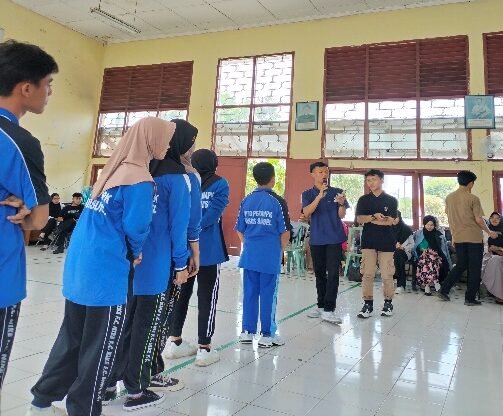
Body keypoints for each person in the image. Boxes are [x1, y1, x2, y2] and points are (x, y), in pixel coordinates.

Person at [26, 117, 174, 416]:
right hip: (106, 273)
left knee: (71, 340)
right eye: (166, 138)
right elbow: (137, 227)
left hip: (81, 266)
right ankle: (84, 409)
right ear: (151, 139)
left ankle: (40, 404)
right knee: (101, 348)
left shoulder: (112, 170)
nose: (168, 145)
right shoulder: (140, 180)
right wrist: (134, 253)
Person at [103, 119, 196, 411]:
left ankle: (108, 383)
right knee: (148, 327)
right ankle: (137, 390)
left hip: (130, 263)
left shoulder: (140, 170)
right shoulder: (177, 178)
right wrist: (181, 264)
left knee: (125, 324)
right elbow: (179, 226)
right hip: (156, 267)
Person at [0, 40, 58, 390]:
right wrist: (26, 209)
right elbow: (38, 220)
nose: (49, 93)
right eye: (47, 84)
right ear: (26, 88)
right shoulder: (18, 141)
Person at [166, 149, 230, 367]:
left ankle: (174, 342)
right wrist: (195, 228)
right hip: (208, 252)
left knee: (180, 294)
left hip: (183, 249)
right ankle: (204, 348)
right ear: (214, 163)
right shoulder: (220, 184)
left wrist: (186, 230)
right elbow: (212, 216)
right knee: (207, 298)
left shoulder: (187, 181)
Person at [236, 162, 292, 348]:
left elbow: (240, 229)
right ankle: (267, 334)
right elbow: (285, 232)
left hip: (249, 256)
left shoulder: (246, 200)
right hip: (269, 257)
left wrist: (250, 244)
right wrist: (279, 251)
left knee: (250, 293)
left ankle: (247, 331)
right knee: (268, 294)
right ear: (273, 179)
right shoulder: (277, 201)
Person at [438, 171, 498, 306]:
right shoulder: (473, 198)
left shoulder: (449, 198)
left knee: (461, 264)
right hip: (474, 238)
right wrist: (489, 232)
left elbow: (450, 219)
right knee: (475, 268)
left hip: (459, 237)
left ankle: (444, 289)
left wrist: (453, 236)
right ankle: (470, 298)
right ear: (471, 183)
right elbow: (479, 219)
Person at [301, 161, 348, 324]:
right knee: (319, 273)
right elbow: (306, 212)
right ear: (312, 174)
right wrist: (319, 196)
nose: (324, 175)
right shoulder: (307, 194)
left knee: (333, 274)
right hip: (317, 239)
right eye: (320, 172)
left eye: (326, 172)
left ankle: (329, 309)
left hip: (334, 238)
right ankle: (321, 306)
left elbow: (341, 215)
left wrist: (341, 204)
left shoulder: (337, 192)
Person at [355, 169, 398, 318]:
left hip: (387, 242)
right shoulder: (363, 200)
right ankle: (367, 304)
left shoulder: (391, 200)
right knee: (367, 274)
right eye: (368, 180)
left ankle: (388, 303)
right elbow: (359, 219)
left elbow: (391, 222)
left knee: (387, 275)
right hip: (368, 242)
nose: (371, 183)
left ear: (381, 180)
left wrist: (370, 220)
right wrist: (374, 217)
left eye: (374, 179)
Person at [413, 215, 452, 296]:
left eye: (431, 225)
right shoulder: (420, 234)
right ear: (424, 224)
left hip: (436, 256)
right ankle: (435, 282)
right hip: (422, 256)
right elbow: (416, 247)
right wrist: (422, 250)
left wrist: (433, 252)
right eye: (427, 224)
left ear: (434, 225)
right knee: (428, 260)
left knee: (430, 260)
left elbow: (442, 249)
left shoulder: (438, 234)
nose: (429, 227)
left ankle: (427, 285)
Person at [481, 212, 503, 304]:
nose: (494, 219)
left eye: (497, 218)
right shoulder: (485, 231)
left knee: (497, 260)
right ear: (489, 219)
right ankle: (499, 295)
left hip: (500, 255)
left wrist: (498, 249)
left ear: (501, 220)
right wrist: (490, 249)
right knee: (495, 261)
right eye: (492, 217)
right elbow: (483, 246)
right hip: (489, 256)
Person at [393, 210, 413, 294]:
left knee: (398, 255)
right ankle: (400, 284)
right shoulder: (387, 229)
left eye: (395, 217)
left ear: (399, 217)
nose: (394, 219)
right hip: (391, 252)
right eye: (392, 217)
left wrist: (402, 247)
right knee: (396, 256)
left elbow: (412, 244)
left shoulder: (406, 229)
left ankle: (399, 284)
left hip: (405, 252)